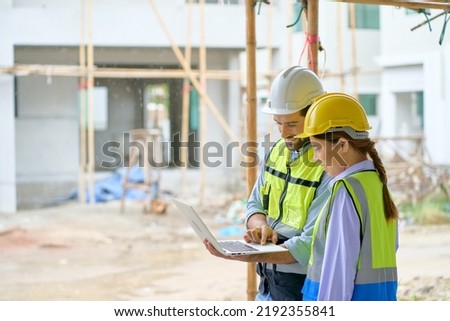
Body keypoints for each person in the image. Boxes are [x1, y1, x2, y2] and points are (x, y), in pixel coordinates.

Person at [203, 65, 331, 300]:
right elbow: (254, 205)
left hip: (302, 287)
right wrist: (260, 225)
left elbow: (310, 244)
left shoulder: (329, 165)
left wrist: (249, 255)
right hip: (268, 284)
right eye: (278, 123)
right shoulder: (276, 152)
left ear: (315, 116)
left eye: (292, 124)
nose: (284, 132)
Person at [296, 92, 399, 301]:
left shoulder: (346, 191)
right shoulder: (375, 183)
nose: (315, 158)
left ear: (342, 145)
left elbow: (338, 272)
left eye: (317, 148)